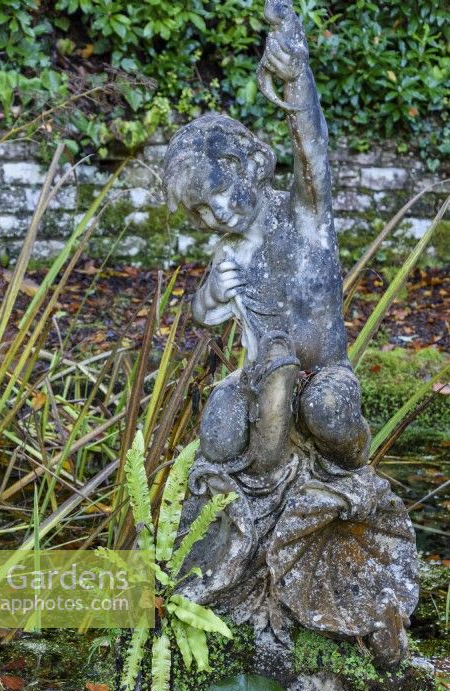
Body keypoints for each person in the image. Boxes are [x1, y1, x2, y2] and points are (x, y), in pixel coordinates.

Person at [162, 1, 371, 471]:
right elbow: (201, 312)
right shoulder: (230, 250)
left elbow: (312, 153)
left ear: (251, 166)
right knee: (218, 434)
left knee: (328, 413)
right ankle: (244, 496)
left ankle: (356, 471)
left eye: (218, 191)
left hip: (325, 373)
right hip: (261, 373)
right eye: (200, 210)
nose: (215, 212)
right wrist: (211, 292)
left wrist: (297, 79)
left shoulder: (304, 216)